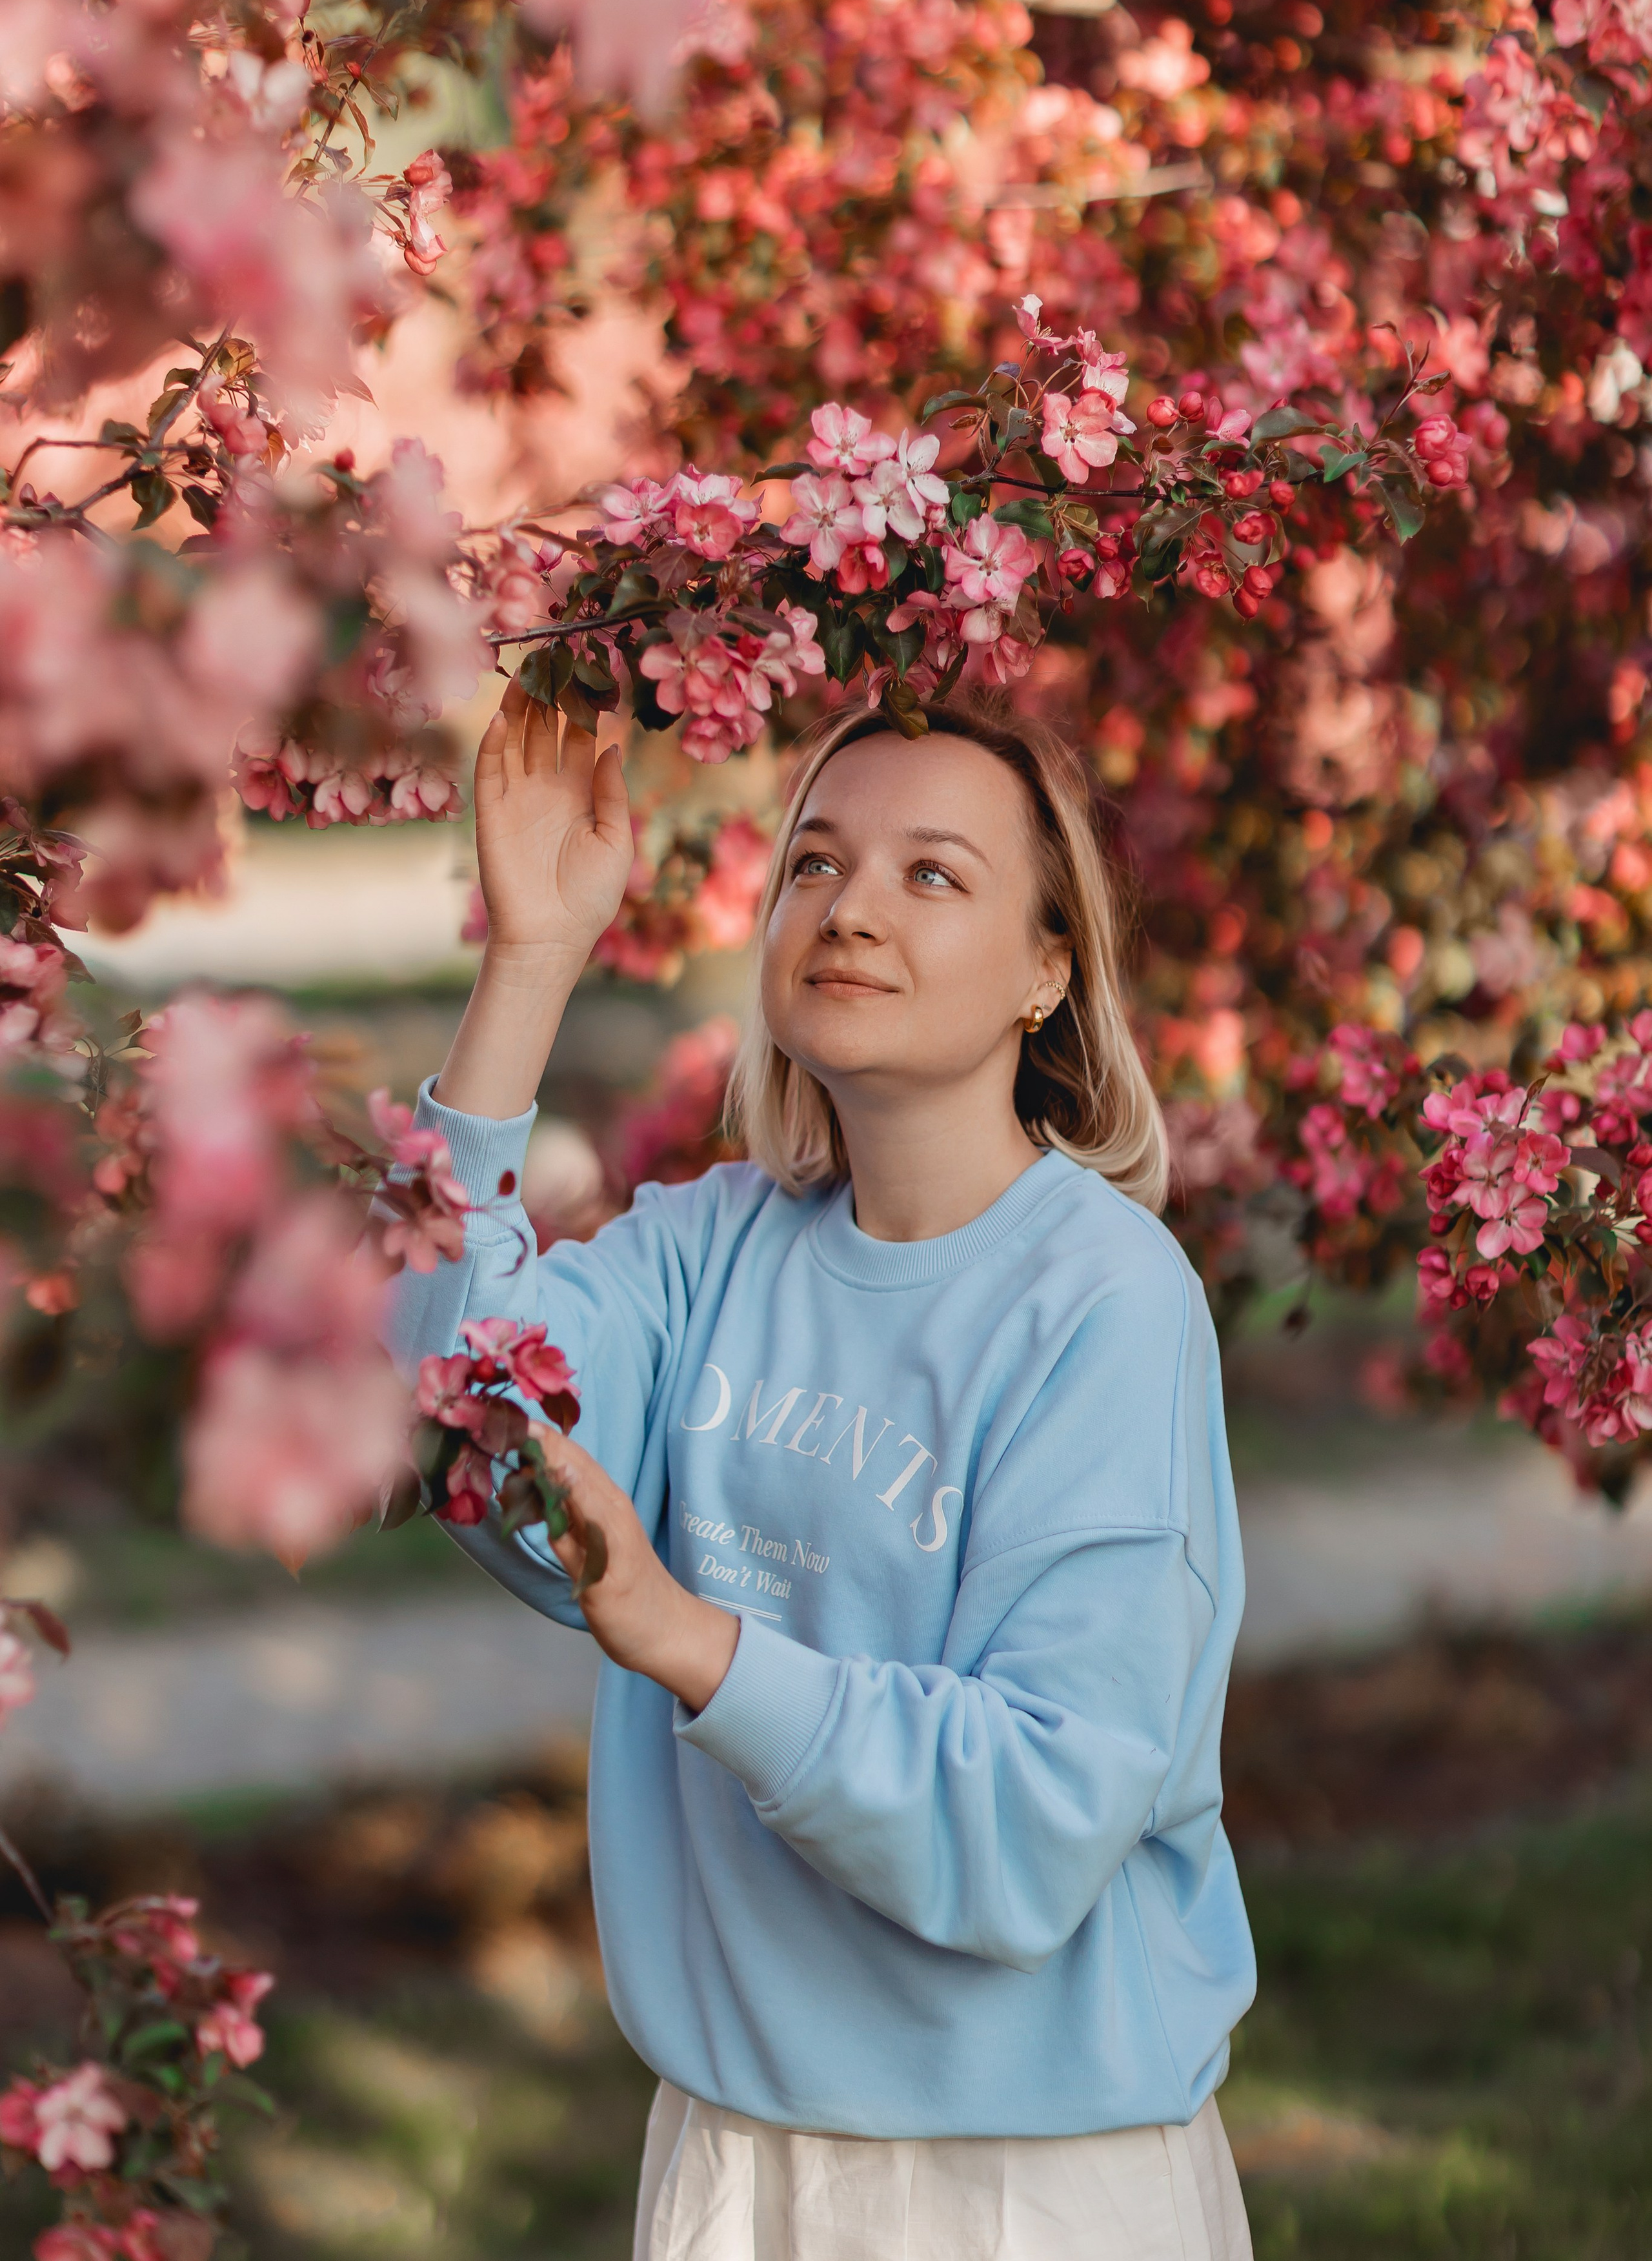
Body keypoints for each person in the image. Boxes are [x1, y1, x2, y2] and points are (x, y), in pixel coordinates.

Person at [386, 680, 1256, 2261]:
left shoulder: (1104, 1305)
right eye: (814, 863)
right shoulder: (709, 1247)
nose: (851, 907)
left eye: (932, 873)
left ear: (1046, 972)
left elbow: (1037, 1822)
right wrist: (528, 963)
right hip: (735, 2161)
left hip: (1027, 2180)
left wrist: (693, 1645)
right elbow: (448, 1413)